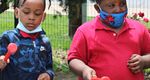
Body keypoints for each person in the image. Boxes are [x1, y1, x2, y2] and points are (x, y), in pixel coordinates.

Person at [67, 0, 150, 80]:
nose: (118, 9)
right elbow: (74, 59)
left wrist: (144, 61)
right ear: (97, 8)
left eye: (122, 4)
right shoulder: (85, 31)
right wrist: (84, 70)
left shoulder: (139, 29)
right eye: (111, 5)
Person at [0, 0, 54, 80]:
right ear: (17, 12)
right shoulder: (7, 38)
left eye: (37, 14)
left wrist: (48, 74)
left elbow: (49, 67)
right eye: (26, 12)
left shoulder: (45, 42)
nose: (31, 17)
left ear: (43, 16)